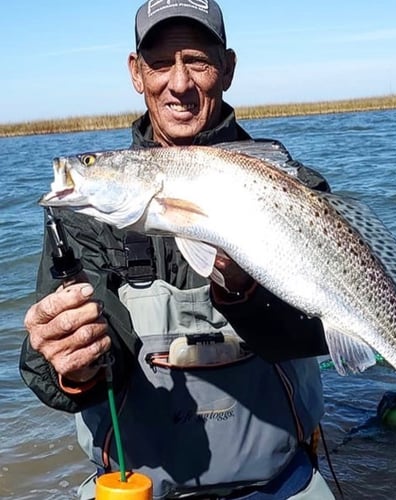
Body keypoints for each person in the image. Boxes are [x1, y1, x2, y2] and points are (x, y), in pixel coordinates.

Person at [20, 1, 337, 499]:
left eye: (198, 61)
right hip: (135, 488)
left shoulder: (296, 189)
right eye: (161, 63)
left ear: (227, 68)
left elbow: (319, 335)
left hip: (281, 480)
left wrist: (242, 290)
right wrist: (71, 362)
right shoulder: (81, 216)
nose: (181, 83)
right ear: (135, 73)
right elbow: (80, 369)